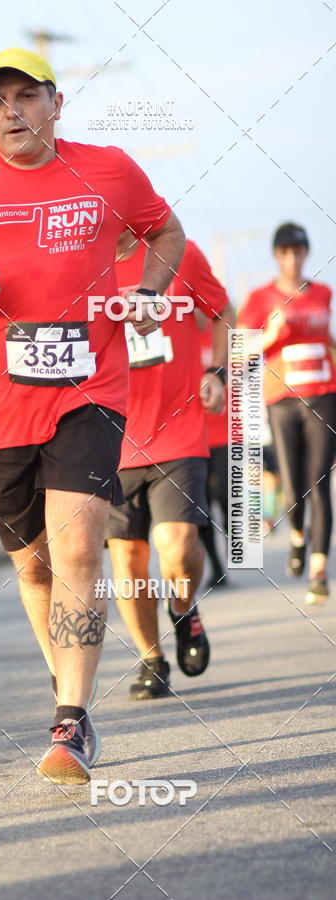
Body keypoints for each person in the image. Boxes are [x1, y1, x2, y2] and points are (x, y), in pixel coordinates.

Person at [0, 47, 185, 784]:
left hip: (89, 391)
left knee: (81, 547)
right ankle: (67, 689)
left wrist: (148, 293)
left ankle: (73, 720)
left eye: (26, 96)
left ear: (57, 103)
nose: (12, 112)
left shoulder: (109, 169)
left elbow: (166, 232)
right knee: (32, 565)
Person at [106, 234, 234, 700]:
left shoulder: (180, 254)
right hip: (110, 438)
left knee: (177, 547)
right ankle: (151, 659)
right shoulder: (82, 261)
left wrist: (217, 372)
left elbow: (222, 311)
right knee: (128, 558)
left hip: (178, 429)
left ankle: (183, 610)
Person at [238, 223, 336, 605]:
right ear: (277, 256)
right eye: (285, 252)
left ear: (306, 253)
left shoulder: (324, 294)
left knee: (319, 484)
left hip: (324, 397)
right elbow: (240, 351)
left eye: (298, 251)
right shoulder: (261, 298)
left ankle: (318, 571)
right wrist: (271, 334)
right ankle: (297, 537)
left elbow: (328, 340)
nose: (293, 258)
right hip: (282, 401)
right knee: (294, 489)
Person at [196, 313, 231, 589]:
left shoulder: (220, 335)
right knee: (201, 507)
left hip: (227, 434)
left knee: (225, 496)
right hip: (194, 436)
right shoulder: (178, 334)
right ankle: (216, 566)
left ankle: (236, 551)